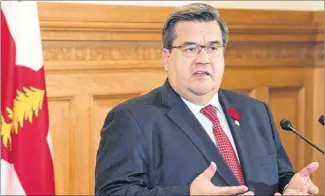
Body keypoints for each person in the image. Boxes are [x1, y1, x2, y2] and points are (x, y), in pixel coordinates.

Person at [95, 3, 319, 195]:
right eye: (190, 48)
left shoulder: (255, 110)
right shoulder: (131, 119)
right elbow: (113, 192)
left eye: (213, 48)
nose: (203, 59)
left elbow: (279, 175)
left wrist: (290, 186)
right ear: (166, 57)